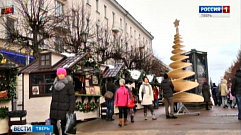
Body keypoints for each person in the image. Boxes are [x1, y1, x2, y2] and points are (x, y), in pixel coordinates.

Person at [49, 68, 75, 135]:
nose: (61, 75)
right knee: (54, 125)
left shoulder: (69, 85)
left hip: (65, 109)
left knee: (64, 127)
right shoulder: (54, 84)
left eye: (62, 74)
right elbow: (53, 98)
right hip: (55, 109)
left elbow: (72, 98)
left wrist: (71, 110)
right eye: (59, 74)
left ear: (65, 74)